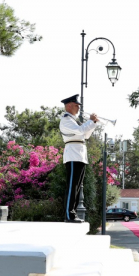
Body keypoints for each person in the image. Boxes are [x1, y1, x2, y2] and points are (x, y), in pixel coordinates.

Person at [59, 95, 98, 223]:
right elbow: (81, 130)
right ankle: (69, 214)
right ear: (69, 105)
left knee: (77, 186)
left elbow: (85, 135)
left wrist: (93, 123)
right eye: (76, 105)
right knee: (72, 186)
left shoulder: (73, 120)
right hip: (73, 154)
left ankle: (73, 212)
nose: (78, 108)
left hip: (80, 154)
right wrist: (90, 121)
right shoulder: (66, 119)